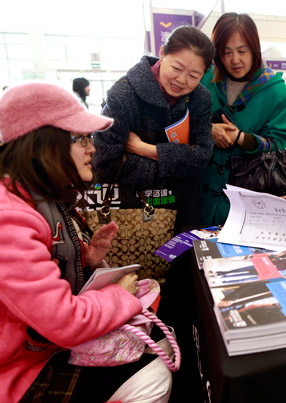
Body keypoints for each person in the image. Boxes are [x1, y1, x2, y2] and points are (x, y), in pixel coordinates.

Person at [0, 83, 172, 402]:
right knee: (155, 373)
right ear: (40, 146)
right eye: (80, 138)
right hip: (23, 370)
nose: (92, 148)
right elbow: (64, 322)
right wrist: (120, 295)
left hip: (43, 347)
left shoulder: (37, 197)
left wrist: (87, 260)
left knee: (159, 339)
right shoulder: (10, 218)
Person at [92, 26, 215, 232]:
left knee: (186, 261)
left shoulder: (200, 98)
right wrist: (172, 165)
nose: (182, 81)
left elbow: (203, 155)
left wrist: (144, 149)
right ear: (162, 53)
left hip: (186, 208)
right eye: (176, 68)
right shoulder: (123, 95)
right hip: (135, 209)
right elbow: (105, 160)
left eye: (194, 76)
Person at [199, 12, 286, 225]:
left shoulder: (276, 92)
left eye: (242, 51)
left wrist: (242, 138)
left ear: (255, 48)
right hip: (199, 198)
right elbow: (182, 119)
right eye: (226, 52)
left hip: (251, 205)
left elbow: (278, 144)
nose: (235, 60)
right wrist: (207, 129)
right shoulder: (205, 79)